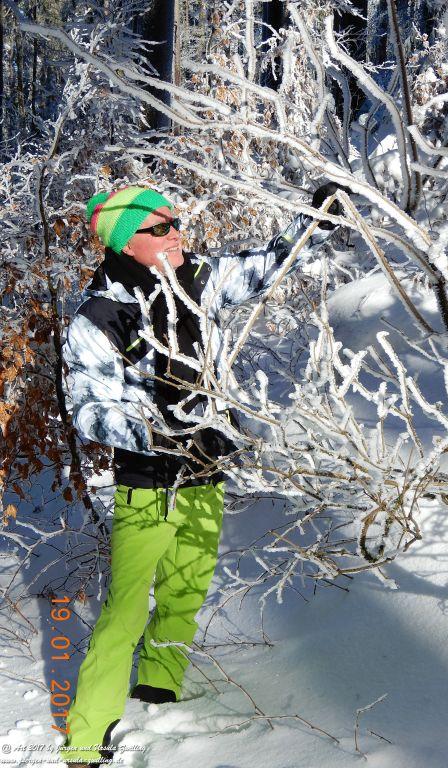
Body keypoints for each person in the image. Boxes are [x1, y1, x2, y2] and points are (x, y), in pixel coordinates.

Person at [57, 182, 344, 766]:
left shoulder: (198, 280)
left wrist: (312, 223)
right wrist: (162, 436)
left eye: (176, 221)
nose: (176, 234)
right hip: (147, 482)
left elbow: (264, 267)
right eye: (159, 228)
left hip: (205, 471)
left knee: (187, 588)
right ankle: (86, 739)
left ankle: (160, 689)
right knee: (125, 609)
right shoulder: (100, 314)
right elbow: (89, 408)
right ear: (124, 241)